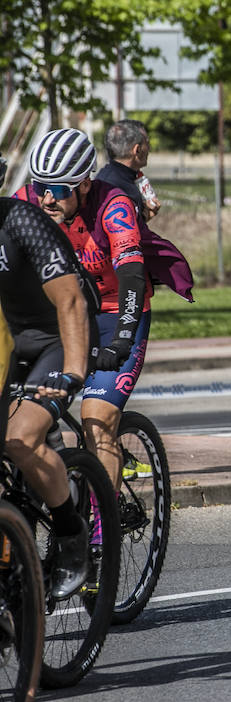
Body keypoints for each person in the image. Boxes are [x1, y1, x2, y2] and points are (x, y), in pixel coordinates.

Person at [17, 128, 150, 497]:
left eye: (59, 190)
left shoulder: (114, 205)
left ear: (85, 185)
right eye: (40, 185)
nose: (46, 198)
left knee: (97, 420)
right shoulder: (28, 201)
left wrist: (123, 337)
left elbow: (131, 274)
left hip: (112, 315)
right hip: (61, 317)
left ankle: (101, 535)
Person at [0, 192, 99, 599]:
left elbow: (71, 300)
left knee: (19, 437)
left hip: (57, 339)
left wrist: (74, 371)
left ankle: (72, 534)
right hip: (9, 342)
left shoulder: (22, 222)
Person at [95, 119, 160, 223]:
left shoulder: (115, 177)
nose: (149, 148)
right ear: (137, 149)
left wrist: (144, 217)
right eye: (147, 143)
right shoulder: (112, 187)